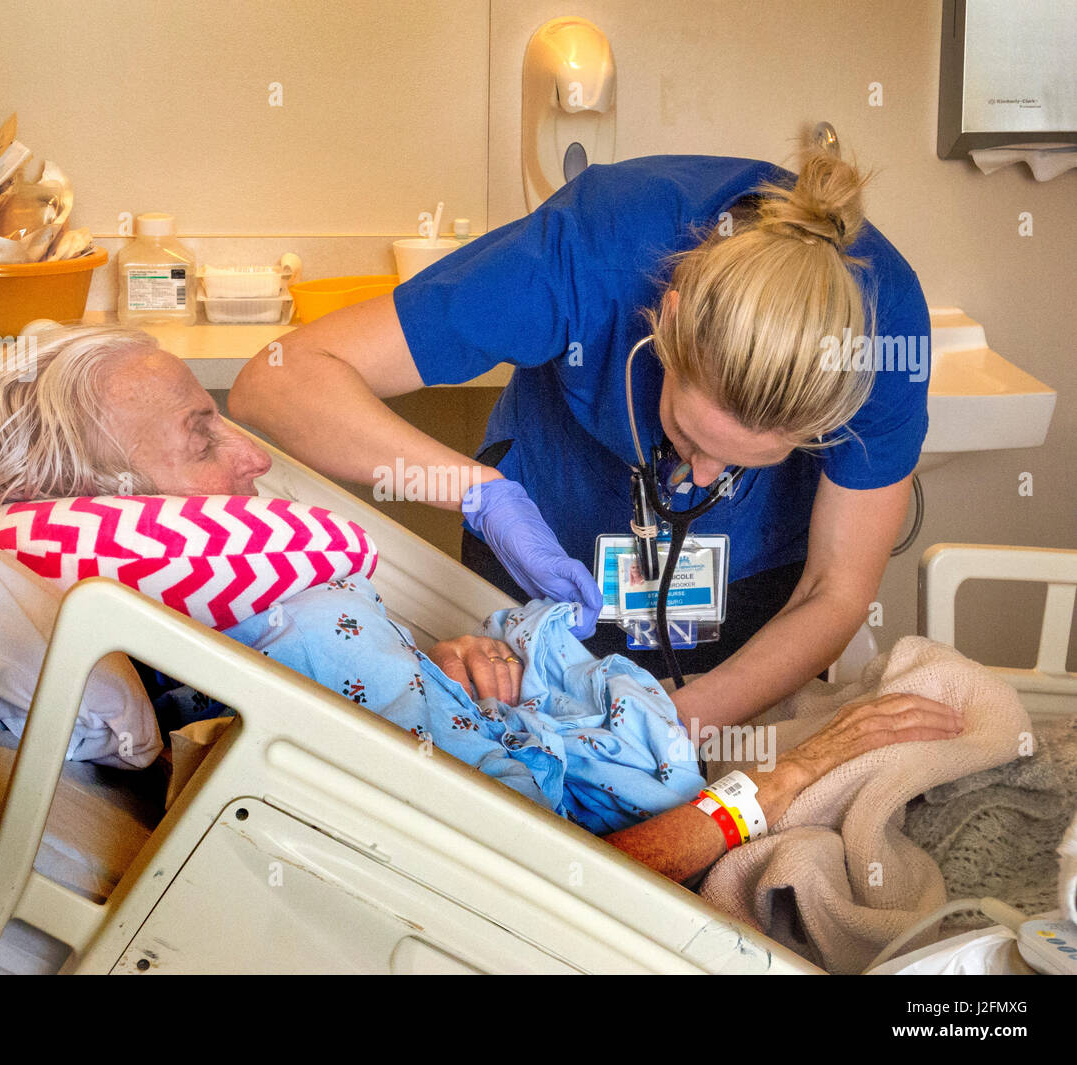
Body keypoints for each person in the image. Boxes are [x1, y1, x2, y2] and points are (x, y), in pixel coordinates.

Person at [0, 325, 958, 884]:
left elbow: (427, 752)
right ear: (103, 508)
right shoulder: (256, 651)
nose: (250, 455)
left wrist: (451, 677)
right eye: (199, 436)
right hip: (664, 852)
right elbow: (566, 872)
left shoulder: (248, 642)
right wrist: (781, 785)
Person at [227, 147, 932, 743]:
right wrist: (479, 492)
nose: (700, 475)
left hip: (749, 585)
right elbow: (277, 385)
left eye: (747, 462)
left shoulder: (878, 328)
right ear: (669, 321)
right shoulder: (592, 251)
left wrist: (671, 724)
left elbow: (834, 593)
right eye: (689, 435)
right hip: (547, 559)